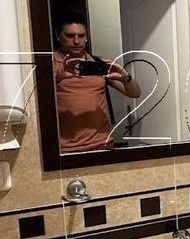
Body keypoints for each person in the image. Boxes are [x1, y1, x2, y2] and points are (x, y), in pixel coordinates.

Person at [52, 12, 141, 151]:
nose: (76, 41)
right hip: (66, 148)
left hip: (103, 145)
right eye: (70, 36)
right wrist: (58, 77)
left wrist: (125, 76)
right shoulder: (49, 65)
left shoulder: (98, 64)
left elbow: (135, 93)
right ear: (58, 36)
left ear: (86, 37)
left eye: (81, 35)